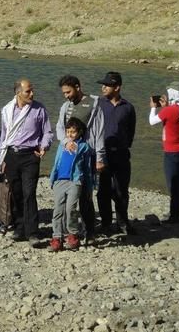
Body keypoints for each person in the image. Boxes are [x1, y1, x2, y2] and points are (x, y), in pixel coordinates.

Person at [0, 78, 53, 246]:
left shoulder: (39, 109)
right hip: (12, 155)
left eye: (32, 90)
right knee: (16, 192)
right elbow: (4, 136)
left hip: (30, 155)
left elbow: (47, 132)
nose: (32, 93)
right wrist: (2, 158)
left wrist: (44, 146)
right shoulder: (7, 110)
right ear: (18, 93)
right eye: (28, 91)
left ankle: (33, 232)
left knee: (29, 192)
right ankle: (20, 227)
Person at [55, 75, 105, 240]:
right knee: (66, 198)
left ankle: (90, 230)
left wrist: (99, 157)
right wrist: (65, 142)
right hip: (68, 158)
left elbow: (99, 132)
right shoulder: (65, 106)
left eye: (68, 92)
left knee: (86, 195)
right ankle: (65, 232)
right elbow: (60, 128)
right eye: (64, 93)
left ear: (78, 86)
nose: (66, 95)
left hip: (87, 156)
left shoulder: (93, 104)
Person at [97, 71, 137, 235]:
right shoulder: (99, 104)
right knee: (103, 190)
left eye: (107, 85)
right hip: (103, 154)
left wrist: (124, 146)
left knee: (121, 190)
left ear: (117, 87)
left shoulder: (128, 107)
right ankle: (106, 223)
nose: (103, 87)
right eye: (103, 84)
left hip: (121, 154)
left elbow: (131, 131)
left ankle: (122, 222)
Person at [149, 81, 179, 224]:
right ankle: (177, 212)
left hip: (172, 150)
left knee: (172, 183)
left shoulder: (170, 110)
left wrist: (153, 108)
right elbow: (175, 120)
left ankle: (175, 216)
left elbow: (152, 121)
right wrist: (166, 107)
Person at [49, 117, 94, 252]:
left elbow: (87, 169)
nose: (70, 134)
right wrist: (53, 179)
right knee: (58, 209)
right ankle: (57, 237)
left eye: (73, 132)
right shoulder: (62, 145)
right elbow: (56, 162)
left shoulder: (84, 147)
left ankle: (72, 235)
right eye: (68, 131)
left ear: (79, 132)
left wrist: (90, 186)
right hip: (60, 181)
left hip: (75, 181)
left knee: (71, 209)